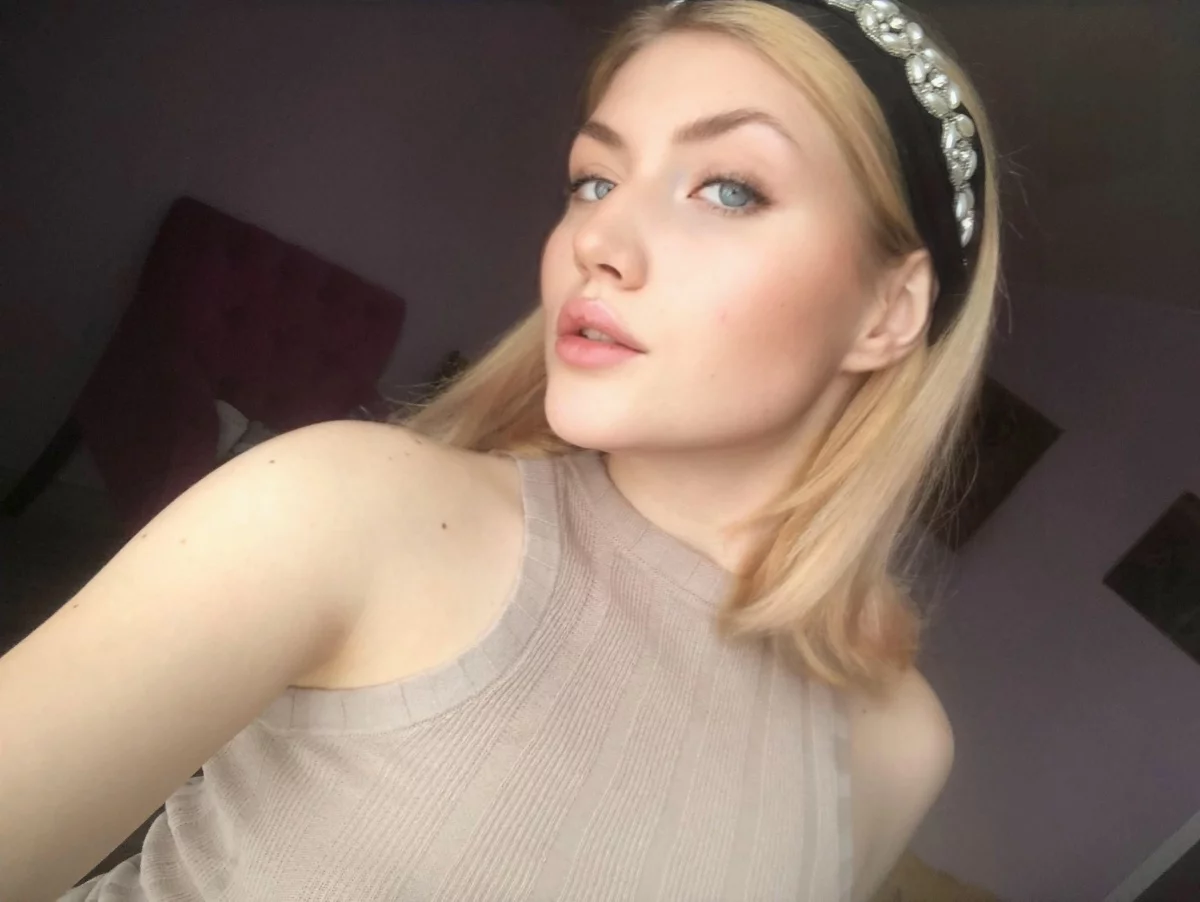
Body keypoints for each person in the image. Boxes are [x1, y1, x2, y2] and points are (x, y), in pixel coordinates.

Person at [0, 0, 1000, 899]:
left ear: (887, 310)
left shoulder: (901, 747)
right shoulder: (346, 505)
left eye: (729, 189)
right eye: (593, 179)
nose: (598, 239)